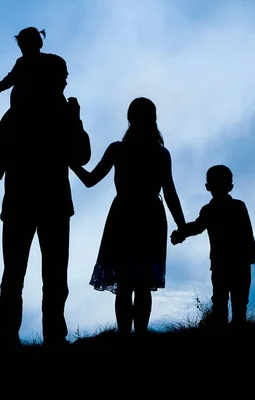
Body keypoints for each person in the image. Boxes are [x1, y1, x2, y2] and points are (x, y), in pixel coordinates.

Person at [0, 96, 91, 348]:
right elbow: (81, 155)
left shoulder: (23, 113)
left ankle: (23, 335)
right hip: (43, 204)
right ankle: (41, 336)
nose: (64, 85)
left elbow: (81, 155)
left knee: (29, 275)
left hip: (29, 203)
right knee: (34, 275)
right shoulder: (35, 114)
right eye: (61, 79)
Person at [70, 97, 186, 339]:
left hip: (123, 215)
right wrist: (181, 225)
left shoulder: (118, 150)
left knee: (125, 283)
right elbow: (170, 192)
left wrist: (70, 162)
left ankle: (125, 338)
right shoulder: (161, 153)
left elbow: (90, 180)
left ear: (129, 118)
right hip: (151, 216)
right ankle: (140, 337)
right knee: (142, 284)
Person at [170, 164, 255, 326]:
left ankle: (220, 325)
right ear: (230, 186)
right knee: (239, 300)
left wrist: (181, 233)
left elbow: (197, 227)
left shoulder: (210, 210)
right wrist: (252, 252)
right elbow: (247, 231)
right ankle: (236, 326)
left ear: (207, 187)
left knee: (220, 298)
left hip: (221, 262)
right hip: (240, 260)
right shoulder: (238, 206)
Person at [0, 27, 68, 111]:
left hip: (48, 103)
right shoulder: (21, 62)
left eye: (25, 43)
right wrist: (3, 84)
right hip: (22, 106)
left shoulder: (53, 60)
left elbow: (61, 79)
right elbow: (13, 76)